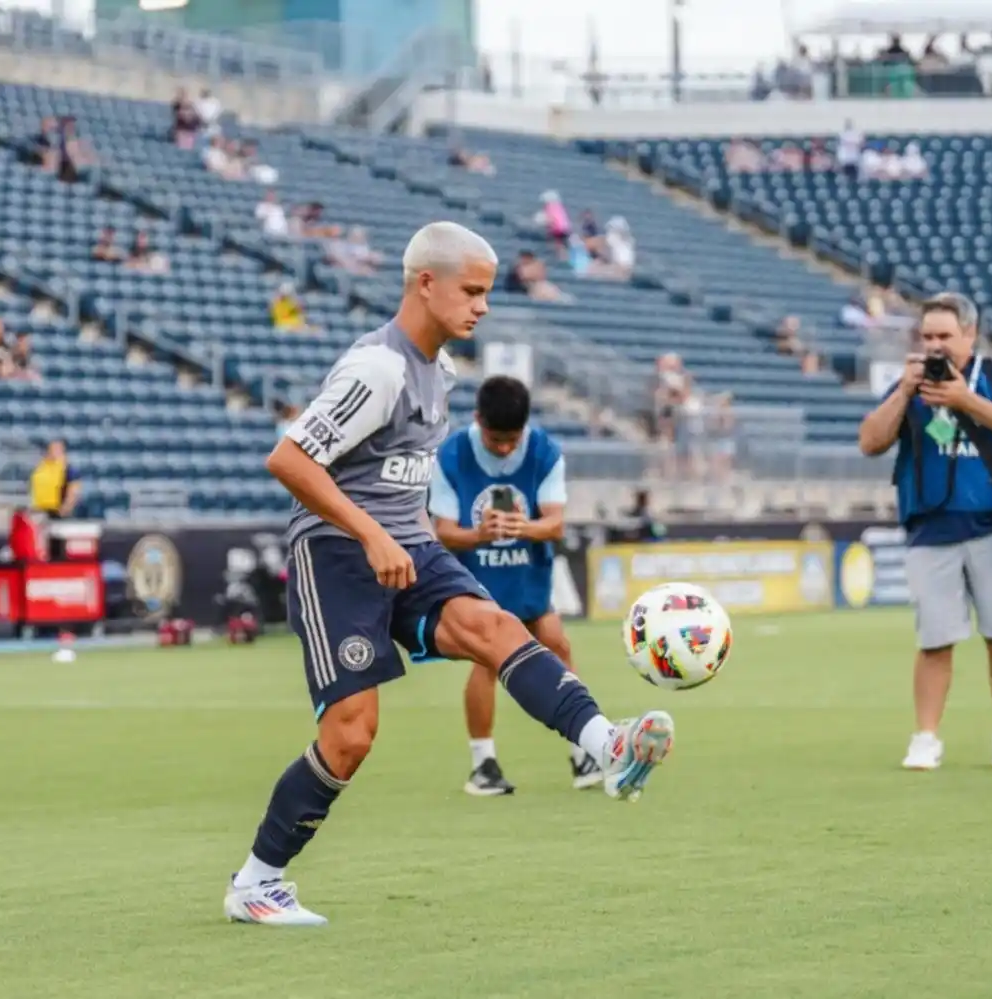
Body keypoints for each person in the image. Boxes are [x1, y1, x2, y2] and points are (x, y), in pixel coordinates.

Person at [223, 222, 674, 926]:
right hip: (337, 553)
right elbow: (289, 459)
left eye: (487, 292)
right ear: (425, 283)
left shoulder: (442, 373)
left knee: (496, 628)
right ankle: (257, 881)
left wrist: (403, 535)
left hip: (407, 545)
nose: (483, 306)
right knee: (351, 735)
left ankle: (605, 744)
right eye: (473, 291)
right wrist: (371, 533)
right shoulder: (377, 369)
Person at [857, 292, 992, 772]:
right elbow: (870, 441)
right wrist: (903, 392)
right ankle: (926, 737)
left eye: (945, 335)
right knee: (934, 641)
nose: (935, 345)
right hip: (930, 528)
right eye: (927, 336)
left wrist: (966, 400)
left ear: (970, 335)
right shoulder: (911, 383)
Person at [428, 375, 602, 796]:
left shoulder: (544, 451)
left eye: (513, 439)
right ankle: (483, 765)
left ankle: (584, 752)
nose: (505, 448)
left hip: (528, 576)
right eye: (496, 439)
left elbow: (555, 524)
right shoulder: (451, 455)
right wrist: (480, 535)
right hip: (477, 580)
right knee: (488, 661)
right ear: (478, 420)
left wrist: (522, 527)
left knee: (557, 644)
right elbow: (444, 532)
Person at [29, 439, 80, 519]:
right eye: (53, 448)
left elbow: (74, 491)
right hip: (39, 511)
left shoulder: (68, 469)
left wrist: (66, 508)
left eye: (58, 449)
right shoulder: (40, 467)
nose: (55, 451)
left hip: (57, 512)